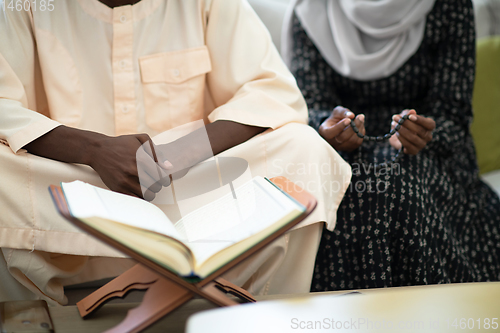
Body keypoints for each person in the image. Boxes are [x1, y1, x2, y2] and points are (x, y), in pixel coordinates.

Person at [0, 0, 352, 305]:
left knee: (303, 148)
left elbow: (273, 93)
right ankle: (29, 316)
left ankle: (262, 314)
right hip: (71, 201)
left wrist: (176, 156)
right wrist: (93, 149)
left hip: (188, 200)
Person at [282, 0, 500, 291]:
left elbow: (453, 112)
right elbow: (312, 109)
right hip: (342, 156)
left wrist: (425, 133)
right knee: (352, 186)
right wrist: (330, 128)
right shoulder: (311, 10)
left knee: (397, 184)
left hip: (433, 156)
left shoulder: (449, 5)